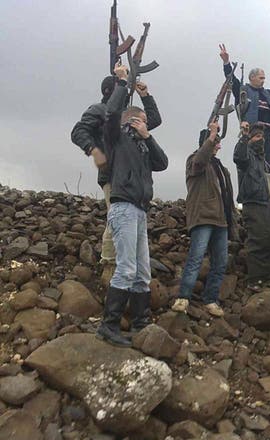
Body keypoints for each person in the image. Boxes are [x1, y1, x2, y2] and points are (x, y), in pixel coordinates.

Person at [95, 62, 168, 347]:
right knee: (126, 268)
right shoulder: (117, 138)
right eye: (140, 121)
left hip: (139, 210)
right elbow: (112, 113)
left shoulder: (142, 144)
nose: (144, 123)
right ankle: (108, 325)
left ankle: (140, 322)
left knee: (142, 271)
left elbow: (162, 163)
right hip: (123, 207)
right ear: (130, 122)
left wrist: (147, 98)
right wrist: (122, 81)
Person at [71, 75, 161, 286]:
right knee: (117, 219)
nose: (127, 93)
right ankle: (110, 266)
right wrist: (94, 151)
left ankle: (127, 268)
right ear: (109, 92)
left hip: (131, 176)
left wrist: (145, 96)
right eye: (123, 89)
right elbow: (78, 132)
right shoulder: (101, 111)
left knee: (126, 220)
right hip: (112, 173)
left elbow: (154, 120)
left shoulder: (127, 116)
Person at [171, 121, 237, 317]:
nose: (218, 145)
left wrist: (231, 219)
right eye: (215, 142)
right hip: (203, 218)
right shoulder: (195, 160)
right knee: (196, 258)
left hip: (221, 220)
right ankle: (183, 297)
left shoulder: (221, 168)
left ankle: (211, 299)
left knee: (220, 262)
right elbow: (200, 160)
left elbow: (227, 196)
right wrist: (212, 135)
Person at [234, 122, 270, 291]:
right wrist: (243, 136)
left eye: (262, 138)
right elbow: (239, 157)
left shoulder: (262, 161)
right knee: (257, 240)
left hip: (267, 203)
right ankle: (254, 278)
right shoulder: (247, 157)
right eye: (257, 137)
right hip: (254, 203)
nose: (260, 140)